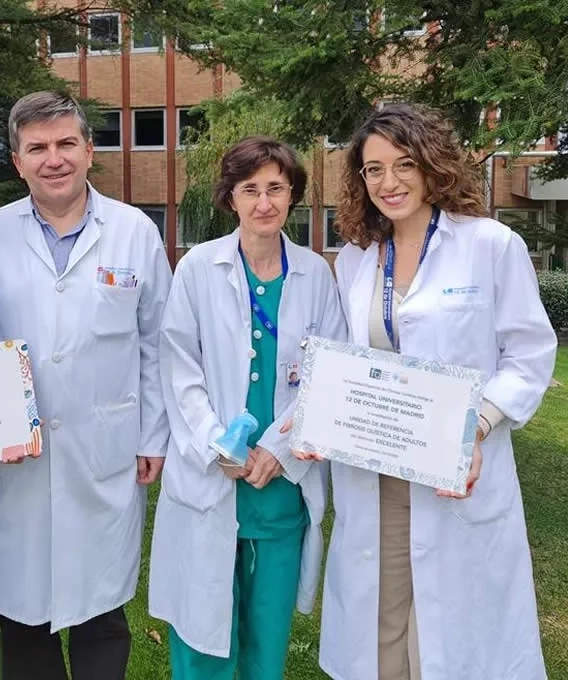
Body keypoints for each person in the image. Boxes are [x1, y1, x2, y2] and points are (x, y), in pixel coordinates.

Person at [316, 103, 557, 680]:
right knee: (380, 621)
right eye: (374, 169)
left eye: (403, 164)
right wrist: (321, 417)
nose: (389, 182)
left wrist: (476, 425)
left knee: (451, 634)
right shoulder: (356, 260)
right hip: (375, 473)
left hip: (458, 473)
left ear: (432, 164)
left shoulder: (490, 245)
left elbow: (529, 354)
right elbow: (344, 360)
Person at [0, 91, 172, 680]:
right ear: (18, 162)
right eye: (37, 148)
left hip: (104, 451)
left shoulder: (134, 231)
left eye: (66, 143)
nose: (54, 158)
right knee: (22, 618)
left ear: (90, 150)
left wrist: (153, 436)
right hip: (17, 461)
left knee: (102, 616)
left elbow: (158, 342)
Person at [148, 136, 347, 679]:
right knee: (202, 643)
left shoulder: (315, 274)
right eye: (250, 189)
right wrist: (218, 443)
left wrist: (280, 450)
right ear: (230, 198)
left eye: (276, 188)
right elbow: (179, 368)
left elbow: (328, 374)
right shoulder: (198, 268)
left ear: (292, 195)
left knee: (266, 643)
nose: (264, 202)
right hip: (213, 477)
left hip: (280, 488)